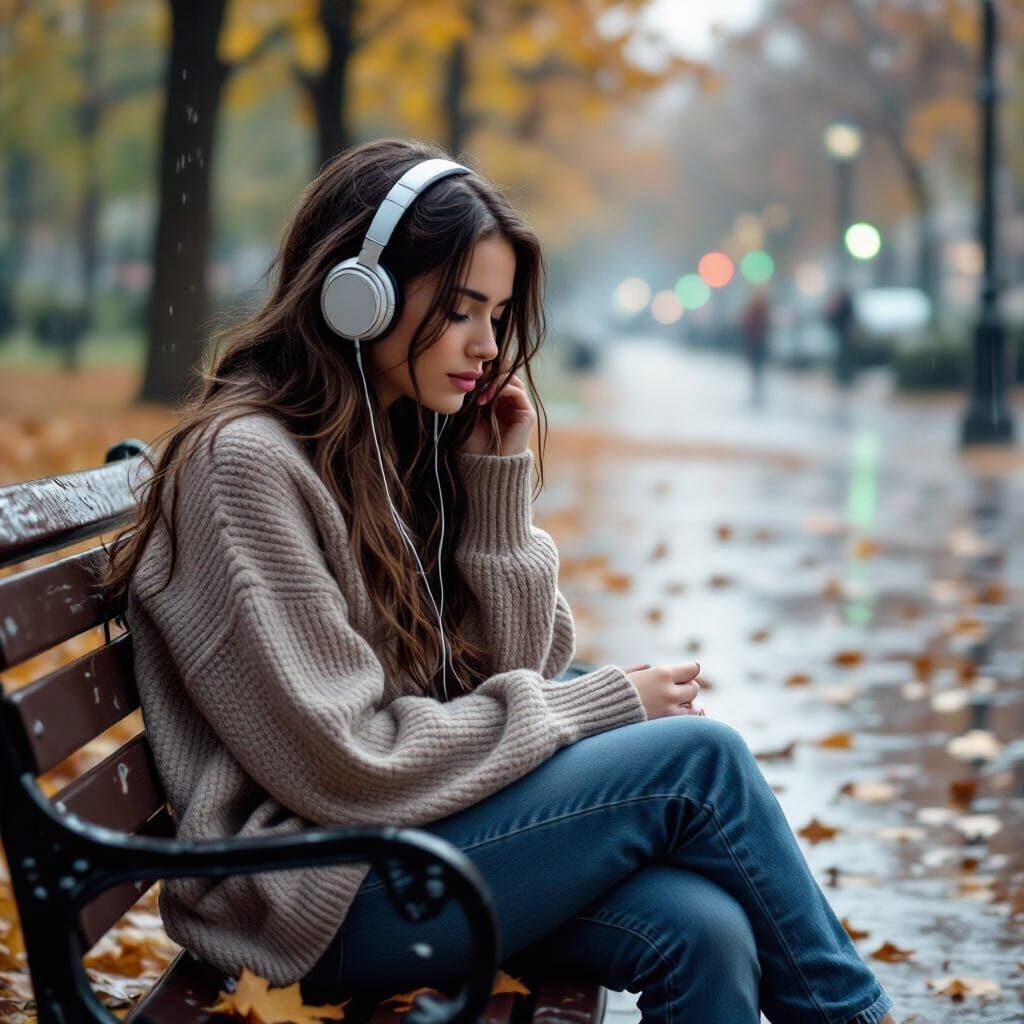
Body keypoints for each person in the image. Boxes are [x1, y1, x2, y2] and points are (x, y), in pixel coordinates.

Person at [99, 138, 895, 1024]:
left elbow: (512, 670)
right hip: (308, 893)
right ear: (358, 295)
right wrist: (597, 706)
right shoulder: (245, 465)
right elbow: (352, 763)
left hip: (407, 846)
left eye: (498, 314)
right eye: (460, 311)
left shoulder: (396, 443)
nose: (487, 347)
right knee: (699, 762)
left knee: (706, 931)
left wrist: (495, 493)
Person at [740, 287, 771, 407]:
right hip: (756, 343)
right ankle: (757, 392)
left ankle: (757, 393)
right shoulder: (759, 309)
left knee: (757, 369)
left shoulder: (762, 309)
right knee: (757, 369)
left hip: (758, 343)